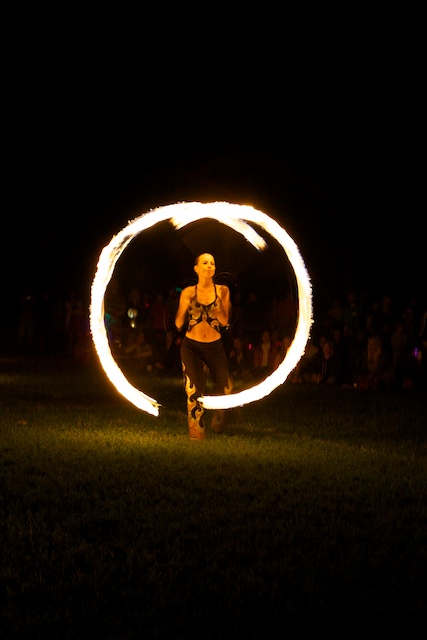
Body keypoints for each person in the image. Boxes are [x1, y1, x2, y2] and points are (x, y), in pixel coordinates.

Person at [175, 253, 232, 440]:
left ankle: (219, 417)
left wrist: (221, 308)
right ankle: (196, 433)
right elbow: (178, 324)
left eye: (212, 263)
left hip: (214, 346)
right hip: (191, 347)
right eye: (205, 263)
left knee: (225, 388)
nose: (209, 266)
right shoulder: (188, 292)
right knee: (193, 389)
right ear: (196, 268)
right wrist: (184, 308)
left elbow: (224, 322)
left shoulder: (223, 290)